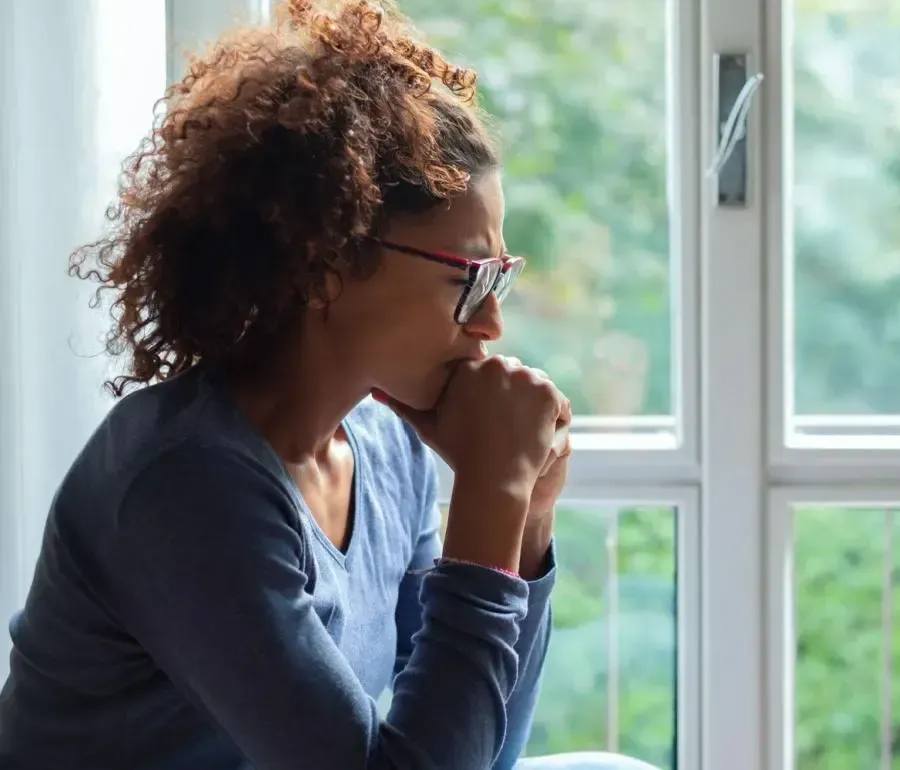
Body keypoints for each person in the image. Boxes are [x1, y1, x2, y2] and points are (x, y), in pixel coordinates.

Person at [0, 1, 665, 769]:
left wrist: (527, 518)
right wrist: (488, 494)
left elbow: (480, 751)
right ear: (326, 267)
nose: (491, 326)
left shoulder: (386, 446)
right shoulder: (186, 482)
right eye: (470, 277)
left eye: (499, 280)